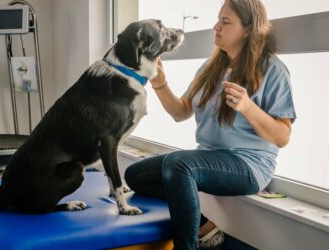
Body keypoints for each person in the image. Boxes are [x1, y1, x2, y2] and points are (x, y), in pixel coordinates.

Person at [124, 0, 297, 249]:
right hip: (208, 158)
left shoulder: (273, 70)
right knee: (136, 175)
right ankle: (206, 224)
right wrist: (159, 83)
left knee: (179, 164)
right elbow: (180, 111)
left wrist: (248, 107)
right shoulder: (210, 67)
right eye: (218, 19)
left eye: (225, 22)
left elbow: (282, 136)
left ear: (248, 30)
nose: (216, 26)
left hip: (248, 164)